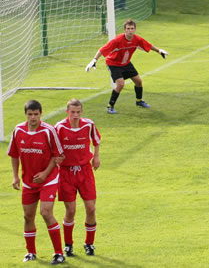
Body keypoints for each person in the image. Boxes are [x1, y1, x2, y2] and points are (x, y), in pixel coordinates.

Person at [8, 100, 66, 264]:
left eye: (36, 114)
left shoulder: (49, 131)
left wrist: (45, 173)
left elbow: (58, 156)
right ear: (25, 114)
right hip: (28, 181)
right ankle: (31, 253)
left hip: (48, 179)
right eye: (30, 114)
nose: (33, 117)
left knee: (46, 213)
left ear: (41, 114)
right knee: (28, 216)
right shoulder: (18, 130)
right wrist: (15, 176)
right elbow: (14, 154)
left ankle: (58, 253)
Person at [86, 19, 169, 114]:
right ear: (124, 30)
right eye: (128, 28)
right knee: (120, 84)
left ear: (135, 29)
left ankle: (139, 101)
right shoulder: (118, 40)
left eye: (132, 28)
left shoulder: (137, 39)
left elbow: (148, 45)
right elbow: (103, 49)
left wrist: (159, 51)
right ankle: (110, 106)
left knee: (138, 81)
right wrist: (94, 60)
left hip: (126, 63)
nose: (130, 30)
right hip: (113, 63)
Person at [54, 99, 101, 257]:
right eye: (72, 112)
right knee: (71, 210)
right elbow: (53, 148)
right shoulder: (59, 127)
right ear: (67, 112)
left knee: (91, 208)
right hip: (66, 173)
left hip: (85, 171)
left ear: (81, 112)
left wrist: (96, 157)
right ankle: (68, 245)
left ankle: (89, 243)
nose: (75, 115)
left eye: (78, 112)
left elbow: (96, 140)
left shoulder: (89, 124)